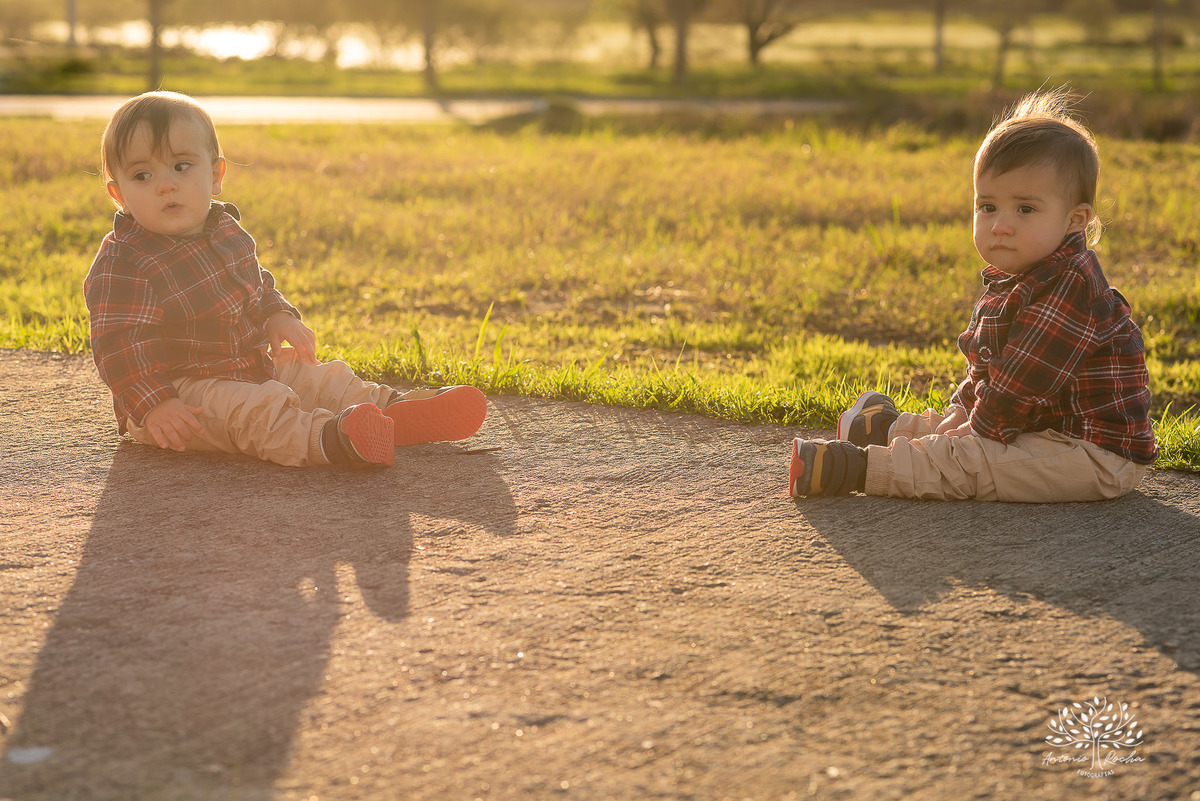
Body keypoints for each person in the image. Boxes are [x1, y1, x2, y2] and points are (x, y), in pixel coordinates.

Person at [789, 88, 1157, 502]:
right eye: (987, 207)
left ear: (1075, 220)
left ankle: (858, 468)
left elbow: (1021, 381)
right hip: (1040, 424)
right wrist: (964, 412)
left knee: (972, 462)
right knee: (962, 427)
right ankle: (889, 430)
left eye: (1025, 210)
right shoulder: (1016, 275)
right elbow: (988, 369)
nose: (1001, 225)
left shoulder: (1072, 285)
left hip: (1092, 454)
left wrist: (978, 426)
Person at [84, 90, 487, 468]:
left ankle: (392, 410)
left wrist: (277, 314)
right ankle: (334, 439)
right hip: (180, 395)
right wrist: (155, 403)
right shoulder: (126, 259)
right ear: (118, 195)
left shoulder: (225, 229)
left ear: (217, 174)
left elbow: (256, 282)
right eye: (142, 176)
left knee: (321, 378)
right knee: (258, 412)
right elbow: (119, 343)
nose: (165, 184)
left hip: (250, 363)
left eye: (181, 166)